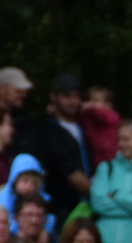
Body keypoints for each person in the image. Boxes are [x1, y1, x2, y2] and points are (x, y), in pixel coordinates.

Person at [29, 74, 94, 220]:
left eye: (77, 97)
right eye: (67, 96)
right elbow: (69, 171)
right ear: (54, 97)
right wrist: (103, 197)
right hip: (61, 210)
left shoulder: (83, 127)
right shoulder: (47, 130)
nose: (73, 101)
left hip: (87, 207)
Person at [79, 85, 121, 168]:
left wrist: (92, 108)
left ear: (108, 105)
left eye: (96, 101)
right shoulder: (88, 118)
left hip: (113, 159)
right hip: (96, 161)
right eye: (90, 100)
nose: (91, 103)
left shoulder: (112, 116)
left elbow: (102, 115)